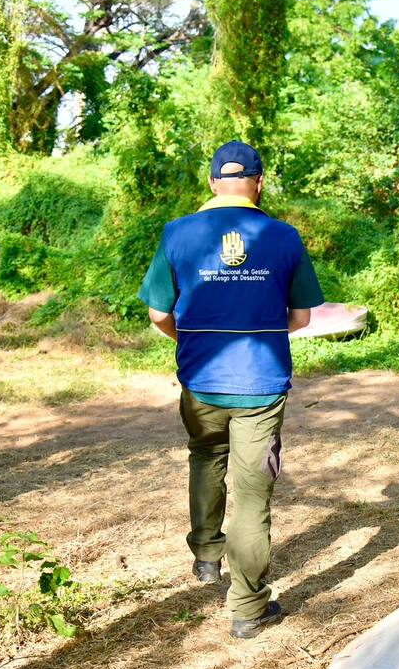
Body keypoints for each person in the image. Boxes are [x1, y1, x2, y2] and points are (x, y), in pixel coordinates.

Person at [137, 140, 324, 639]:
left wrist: (193, 341)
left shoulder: (177, 233)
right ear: (259, 184)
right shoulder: (283, 237)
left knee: (205, 458)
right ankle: (247, 610)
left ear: (212, 182)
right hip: (260, 385)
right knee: (253, 496)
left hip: (200, 379)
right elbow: (302, 317)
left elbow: (159, 313)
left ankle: (205, 557)